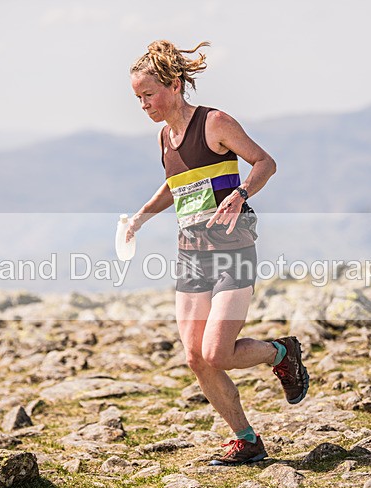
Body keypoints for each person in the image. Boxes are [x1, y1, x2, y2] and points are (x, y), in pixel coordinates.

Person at [127, 40, 309, 466]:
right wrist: (140, 217)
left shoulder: (214, 123)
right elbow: (177, 188)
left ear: (174, 85)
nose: (143, 104)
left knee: (217, 352)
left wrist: (240, 193)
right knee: (195, 357)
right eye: (137, 98)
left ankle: (282, 354)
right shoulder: (164, 137)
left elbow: (265, 162)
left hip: (233, 248)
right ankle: (246, 440)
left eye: (148, 94)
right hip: (191, 253)